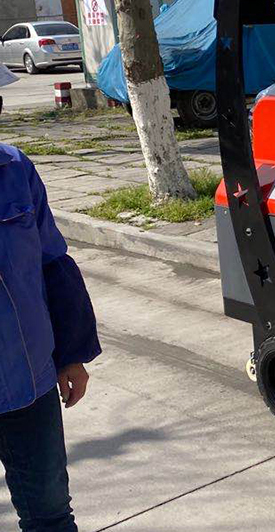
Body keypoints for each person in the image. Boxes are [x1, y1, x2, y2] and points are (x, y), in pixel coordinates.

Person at [0, 63, 101, 532]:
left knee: (50, 517)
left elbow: (52, 263)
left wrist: (71, 355)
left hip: (28, 382)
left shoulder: (15, 169)